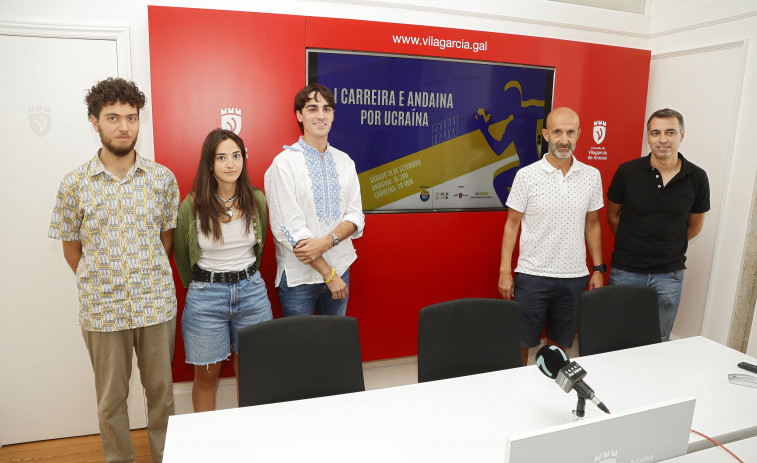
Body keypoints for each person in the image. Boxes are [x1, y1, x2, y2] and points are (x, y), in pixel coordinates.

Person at [48, 77, 179, 463]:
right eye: (113, 117)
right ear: (95, 122)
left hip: (155, 305)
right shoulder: (74, 184)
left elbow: (165, 241)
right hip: (102, 311)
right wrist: (103, 281)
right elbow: (72, 250)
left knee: (162, 396)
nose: (124, 126)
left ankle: (166, 457)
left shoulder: (162, 179)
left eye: (132, 117)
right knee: (110, 401)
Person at [173, 128, 272, 412]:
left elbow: (260, 247)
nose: (231, 164)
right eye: (222, 157)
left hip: (251, 293)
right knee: (207, 376)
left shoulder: (257, 200)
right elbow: (182, 256)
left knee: (253, 373)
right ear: (210, 164)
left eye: (236, 156)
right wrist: (202, 286)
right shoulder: (191, 205)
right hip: (206, 297)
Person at [498, 107, 605, 365]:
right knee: (521, 344)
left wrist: (598, 269)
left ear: (579, 134)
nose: (564, 139)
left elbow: (593, 225)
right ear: (546, 134)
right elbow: (511, 225)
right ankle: (520, 393)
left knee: (560, 348)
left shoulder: (591, 176)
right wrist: (505, 271)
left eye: (570, 132)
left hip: (574, 278)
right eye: (557, 132)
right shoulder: (526, 176)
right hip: (532, 276)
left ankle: (552, 393)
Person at [606, 108, 710, 342]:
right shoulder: (627, 171)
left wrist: (667, 246)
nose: (662, 139)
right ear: (648, 136)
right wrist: (631, 242)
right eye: (656, 132)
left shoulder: (697, 177)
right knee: (614, 338)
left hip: (669, 276)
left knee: (658, 341)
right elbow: (612, 215)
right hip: (626, 272)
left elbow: (695, 227)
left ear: (681, 136)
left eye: (670, 132)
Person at [264, 83, 365, 316]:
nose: (321, 115)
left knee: (333, 345)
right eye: (312, 108)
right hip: (300, 278)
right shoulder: (283, 164)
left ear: (333, 115)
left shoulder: (345, 162)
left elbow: (355, 215)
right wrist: (328, 274)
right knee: (300, 349)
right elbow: (290, 231)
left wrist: (327, 243)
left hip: (341, 268)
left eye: (327, 109)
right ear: (299, 115)